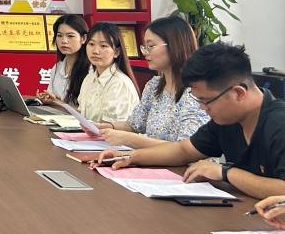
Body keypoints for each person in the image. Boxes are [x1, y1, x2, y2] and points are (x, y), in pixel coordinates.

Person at [99, 42, 285, 200]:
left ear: (238, 93)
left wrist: (225, 173)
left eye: (206, 101)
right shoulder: (228, 119)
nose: (202, 108)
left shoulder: (278, 124)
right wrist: (130, 157)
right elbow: (183, 150)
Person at [97, 16, 208, 148]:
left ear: (174, 46)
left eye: (150, 46)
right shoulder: (154, 85)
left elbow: (187, 149)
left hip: (178, 162)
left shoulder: (195, 93)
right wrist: (107, 127)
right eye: (144, 47)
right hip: (152, 159)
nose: (145, 52)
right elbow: (134, 125)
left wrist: (128, 139)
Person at [75, 22, 139, 123]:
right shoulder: (89, 78)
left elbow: (113, 126)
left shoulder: (119, 83)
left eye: (103, 46)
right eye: (91, 44)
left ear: (116, 52)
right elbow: (81, 114)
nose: (95, 51)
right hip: (88, 132)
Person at [36, 14, 90, 107]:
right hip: (57, 114)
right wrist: (48, 99)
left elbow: (88, 111)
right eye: (59, 35)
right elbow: (54, 98)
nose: (64, 41)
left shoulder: (91, 70)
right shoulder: (57, 67)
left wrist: (59, 103)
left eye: (70, 36)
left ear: (83, 38)